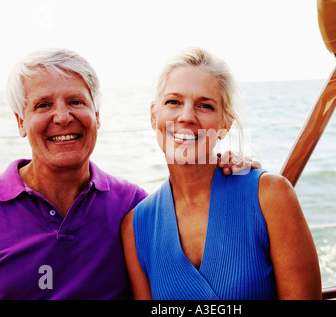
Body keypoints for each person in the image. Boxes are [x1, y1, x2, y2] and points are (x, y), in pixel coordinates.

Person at [0, 48, 254, 300]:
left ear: (97, 115)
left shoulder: (131, 207)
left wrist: (224, 164)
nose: (62, 117)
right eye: (43, 105)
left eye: (76, 102)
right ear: (21, 122)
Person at [122, 47, 322, 300]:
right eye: (173, 101)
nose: (186, 117)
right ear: (153, 115)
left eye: (204, 106)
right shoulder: (136, 227)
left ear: (224, 124)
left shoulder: (271, 196)